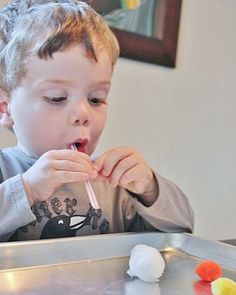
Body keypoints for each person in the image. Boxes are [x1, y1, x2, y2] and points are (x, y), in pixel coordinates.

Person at [0, 0, 194, 241]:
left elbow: (182, 230)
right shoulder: (4, 169)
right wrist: (26, 189)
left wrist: (149, 189)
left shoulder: (113, 185)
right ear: (5, 108)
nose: (83, 113)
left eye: (95, 99)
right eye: (57, 98)